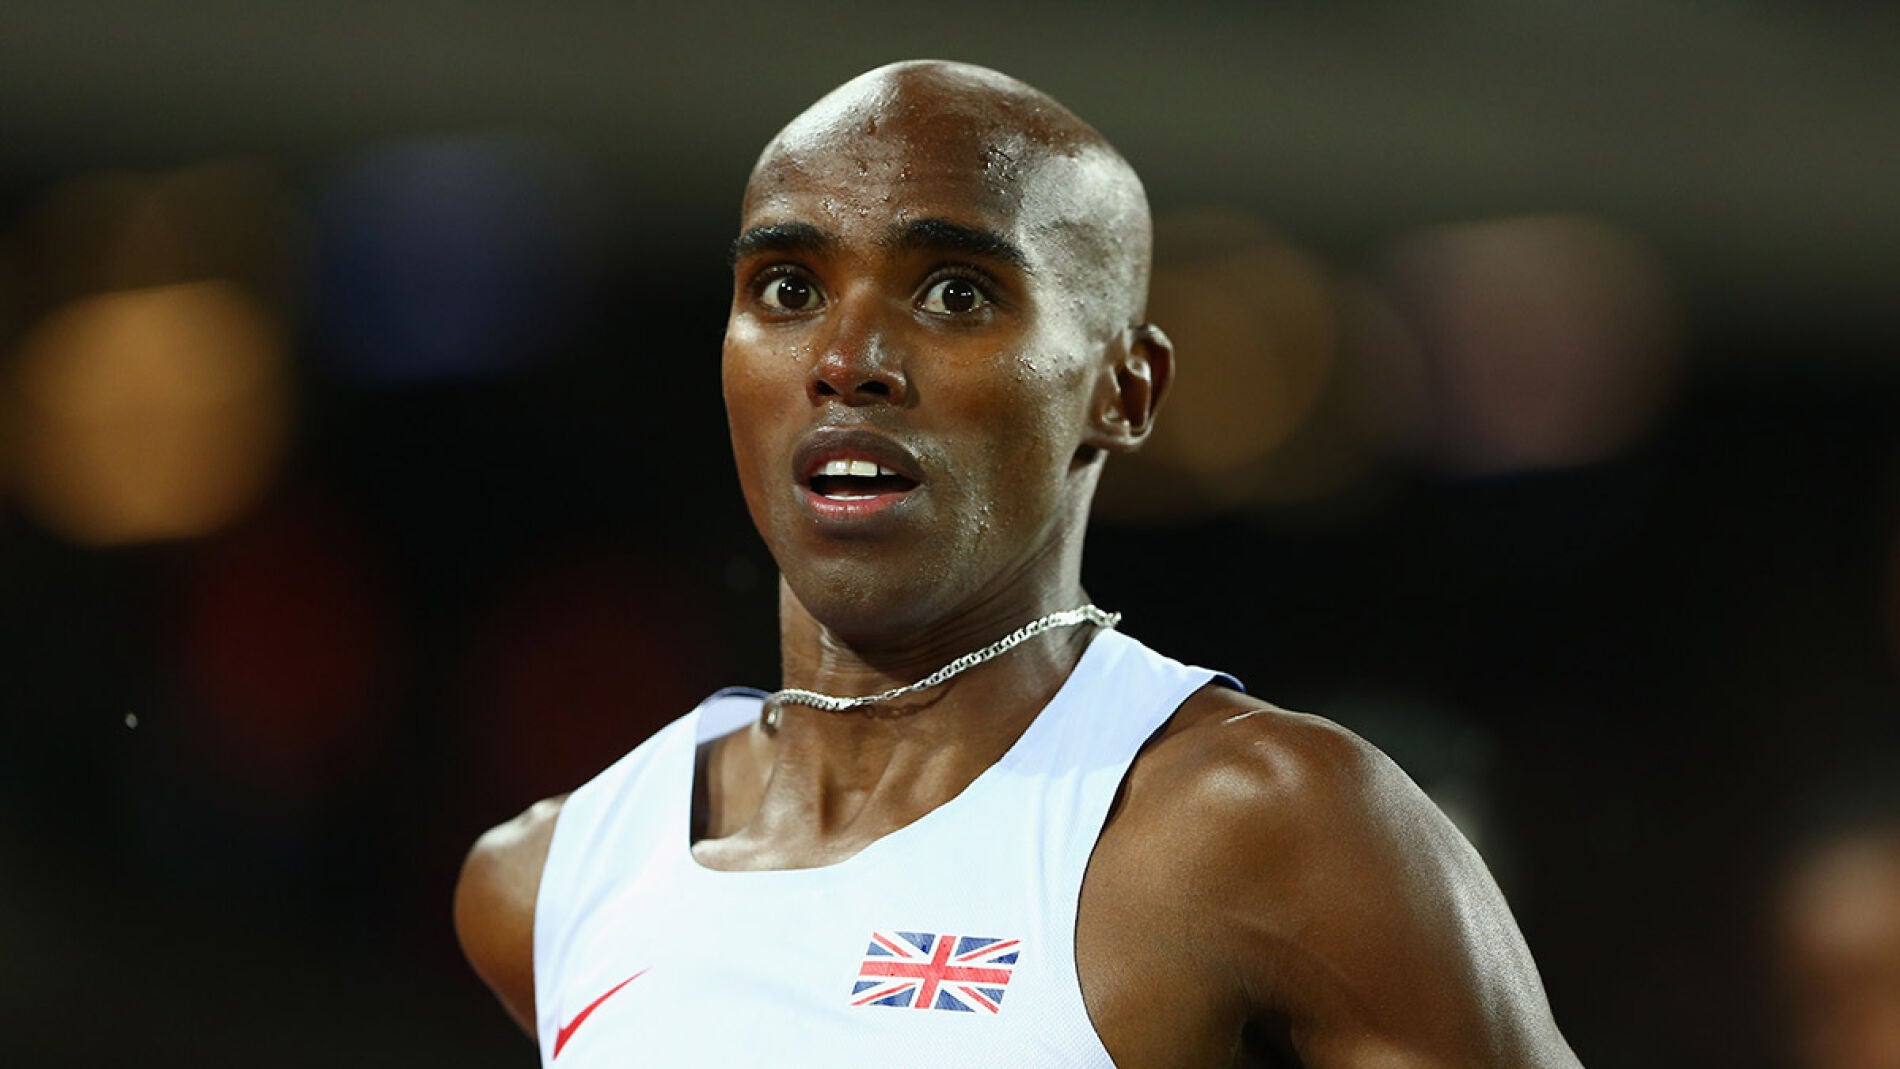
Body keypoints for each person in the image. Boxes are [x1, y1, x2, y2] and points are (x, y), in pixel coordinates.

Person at [454, 59, 1583, 1067]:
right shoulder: (551, 878)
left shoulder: (1264, 827)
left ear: (1123, 388)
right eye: (789, 289)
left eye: (956, 292)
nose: (847, 360)